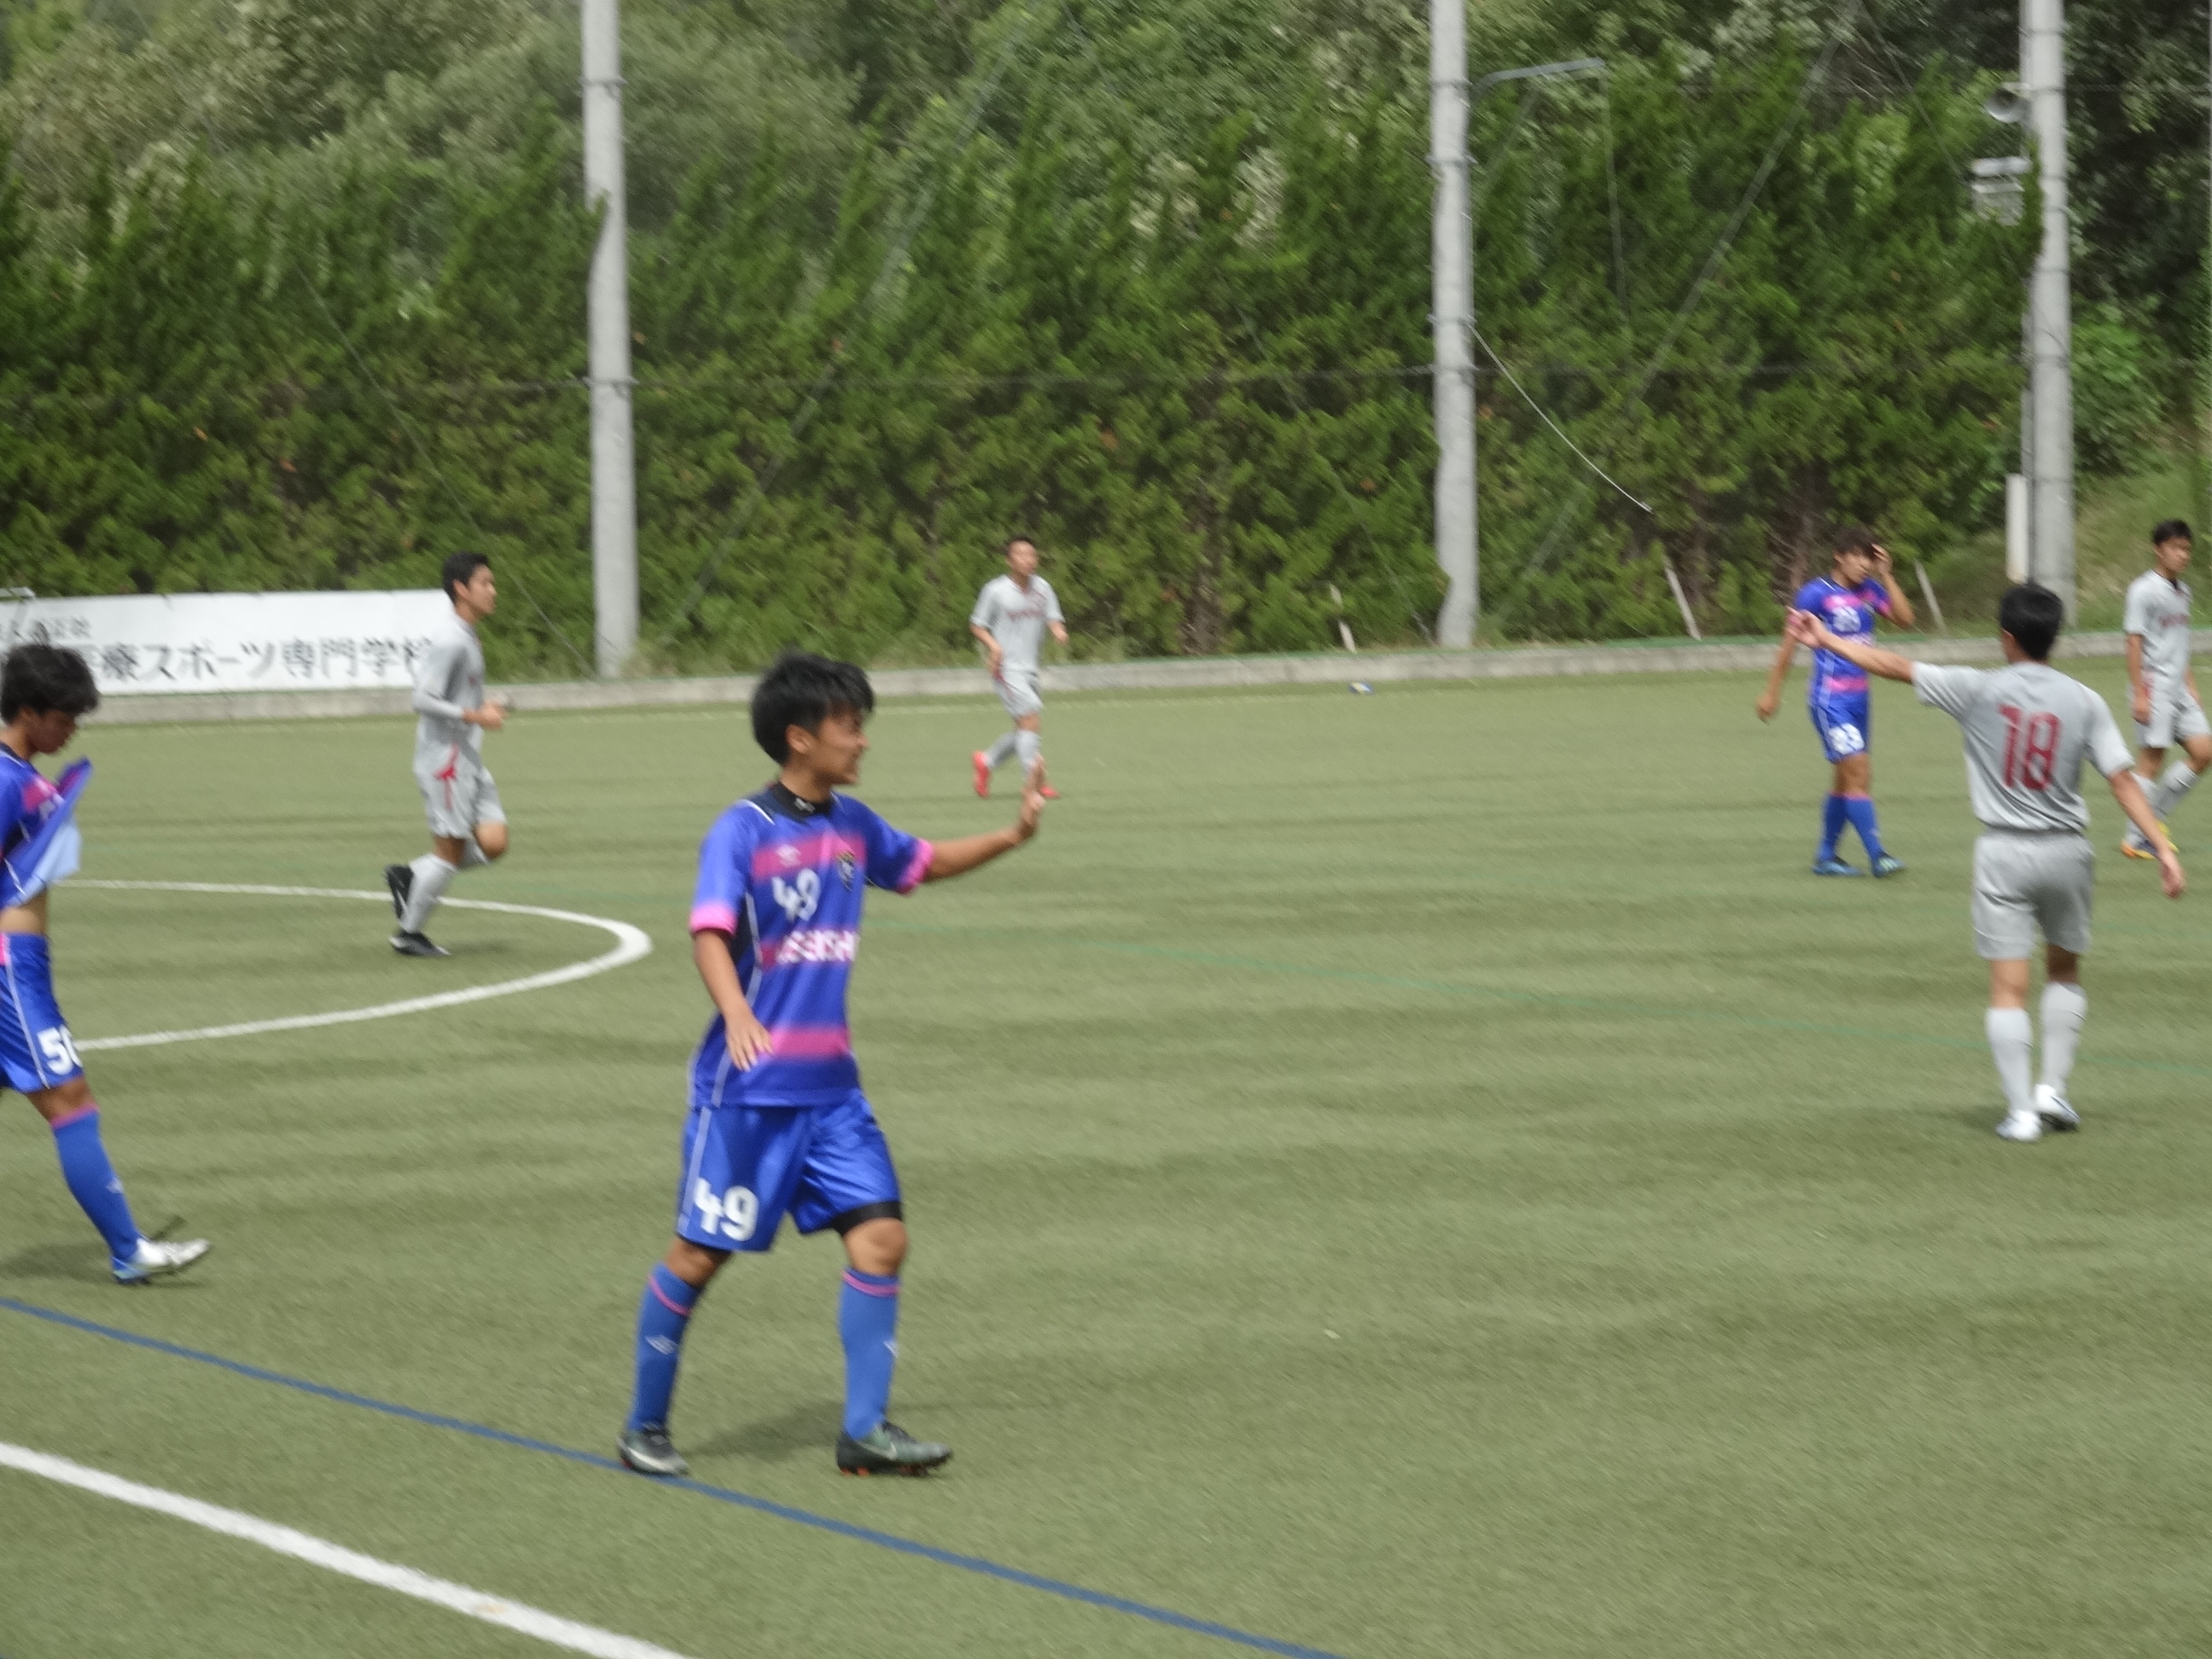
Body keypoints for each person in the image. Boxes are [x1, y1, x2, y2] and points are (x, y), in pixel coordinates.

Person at [618, 650, 1046, 1479]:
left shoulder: (853, 826)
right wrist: (737, 1011)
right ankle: (645, 1427)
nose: (862, 741)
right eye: (849, 726)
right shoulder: (743, 830)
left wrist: (1012, 835)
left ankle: (864, 1432)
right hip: (748, 1094)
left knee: (882, 1239)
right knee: (699, 1258)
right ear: (800, 737)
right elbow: (708, 932)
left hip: (832, 1097)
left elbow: (921, 863)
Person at [1786, 585, 2183, 1142]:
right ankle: (2053, 1091)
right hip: (2068, 851)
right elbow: (2122, 780)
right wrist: (2160, 845)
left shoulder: (1977, 689)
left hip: (2003, 852)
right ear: (2054, 638)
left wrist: (1826, 639)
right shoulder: (2084, 700)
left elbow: (1895, 665)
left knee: (2007, 988)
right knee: (2064, 971)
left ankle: (2020, 1113)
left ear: (2006, 638)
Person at [0, 644, 209, 1282]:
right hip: (9, 972)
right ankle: (128, 1251)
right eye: (63, 718)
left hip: (21, 965)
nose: (71, 731)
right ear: (28, 712)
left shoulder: (17, 773)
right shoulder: (5, 781)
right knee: (70, 1099)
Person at [1757, 527, 1916, 876]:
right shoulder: (1815, 594)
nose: (1863, 564)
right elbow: (1789, 645)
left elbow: (1906, 620)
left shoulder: (1870, 590)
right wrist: (1772, 692)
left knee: (1845, 780)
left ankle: (1826, 857)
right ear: (1839, 556)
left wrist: (1887, 576)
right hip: (1830, 701)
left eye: (1869, 558)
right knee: (1859, 772)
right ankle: (1878, 856)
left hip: (1860, 700)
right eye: (1857, 556)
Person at [385, 553, 510, 958]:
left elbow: (456, 696)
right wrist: (477, 715)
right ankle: (409, 934)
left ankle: (411, 875)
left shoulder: (468, 635)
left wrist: (483, 705)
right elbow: (422, 699)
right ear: (461, 589)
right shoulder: (450, 639)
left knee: (494, 842)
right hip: (446, 762)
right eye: (485, 583)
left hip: (468, 757)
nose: (493, 591)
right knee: (450, 852)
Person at [2120, 520, 2209, 860]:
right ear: (2158, 550)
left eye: (2186, 549)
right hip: (2154, 685)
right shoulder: (2143, 590)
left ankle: (2151, 822)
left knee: (2204, 752)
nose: (2182, 555)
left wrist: (2191, 684)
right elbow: (2133, 642)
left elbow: (2179, 641)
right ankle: (2136, 838)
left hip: (2179, 688)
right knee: (2152, 761)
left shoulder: (2183, 591)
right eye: (2175, 548)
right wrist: (2140, 693)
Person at [969, 537, 1067, 799]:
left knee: (1026, 727)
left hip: (1031, 668)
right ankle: (1033, 784)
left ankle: (986, 761)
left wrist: (1058, 630)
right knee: (1030, 720)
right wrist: (994, 647)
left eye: (1032, 554)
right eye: (1021, 554)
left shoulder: (1043, 588)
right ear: (1009, 560)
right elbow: (977, 625)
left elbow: (1053, 617)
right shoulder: (996, 590)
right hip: (1006, 668)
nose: (1028, 559)